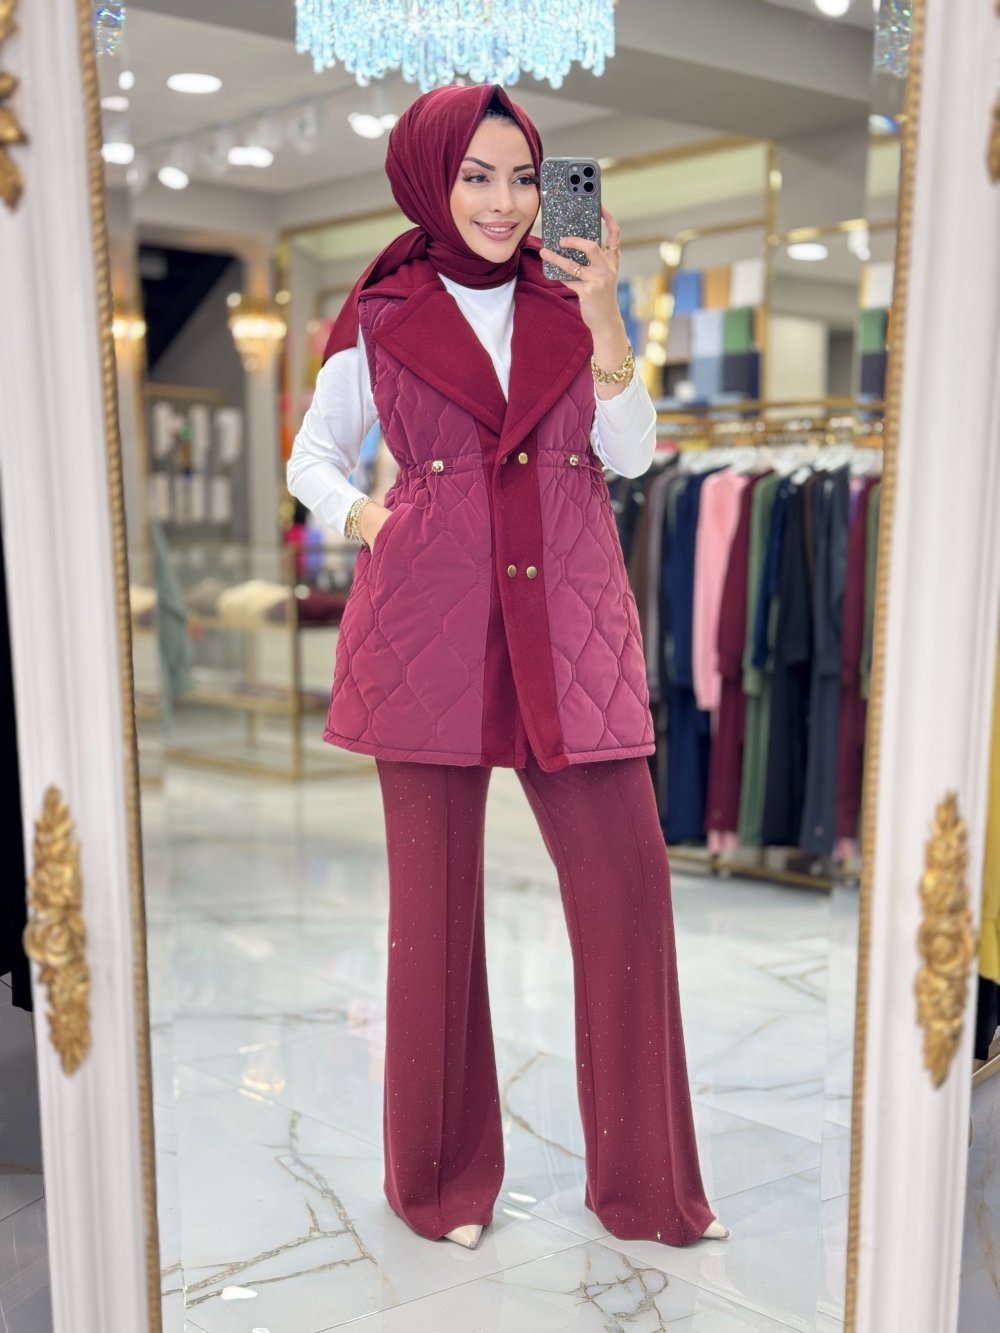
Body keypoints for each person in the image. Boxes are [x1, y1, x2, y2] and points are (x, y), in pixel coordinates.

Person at [287, 81, 729, 1250]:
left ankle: (649, 1188)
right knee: (433, 920)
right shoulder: (383, 310)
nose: (503, 201)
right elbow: (312, 457)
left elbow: (631, 453)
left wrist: (605, 312)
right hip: (427, 628)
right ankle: (438, 1185)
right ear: (428, 181)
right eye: (476, 176)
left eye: (523, 177)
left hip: (569, 622)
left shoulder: (567, 298)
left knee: (627, 892)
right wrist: (371, 520)